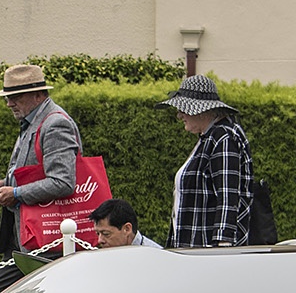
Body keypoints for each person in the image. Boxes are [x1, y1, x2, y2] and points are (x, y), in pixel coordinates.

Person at [0, 64, 78, 251]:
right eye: (7, 97)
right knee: (6, 281)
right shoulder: (33, 119)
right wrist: (5, 184)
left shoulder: (55, 123)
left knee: (6, 282)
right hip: (30, 234)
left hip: (46, 236)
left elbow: (63, 181)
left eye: (15, 97)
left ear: (38, 95)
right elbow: (37, 172)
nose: (9, 103)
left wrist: (15, 193)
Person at [160, 75, 255, 248]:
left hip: (207, 253)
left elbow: (228, 196)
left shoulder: (223, 137)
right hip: (198, 250)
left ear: (202, 110)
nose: (179, 115)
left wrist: (222, 248)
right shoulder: (210, 136)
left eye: (184, 108)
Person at [89, 198, 159, 250]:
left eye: (106, 234)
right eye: (98, 234)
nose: (100, 240)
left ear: (127, 229)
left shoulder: (156, 257)